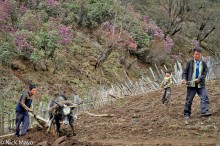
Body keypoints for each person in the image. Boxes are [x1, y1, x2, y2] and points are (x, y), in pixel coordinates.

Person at [182, 48, 212, 119]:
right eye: (196, 54)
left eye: (199, 54)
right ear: (193, 55)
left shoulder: (203, 63)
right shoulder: (190, 62)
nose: (197, 56)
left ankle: (204, 111)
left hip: (200, 85)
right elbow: (184, 72)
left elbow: (205, 73)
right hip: (191, 85)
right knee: (189, 100)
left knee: (204, 97)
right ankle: (187, 113)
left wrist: (199, 79)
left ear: (201, 55)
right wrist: (184, 79)